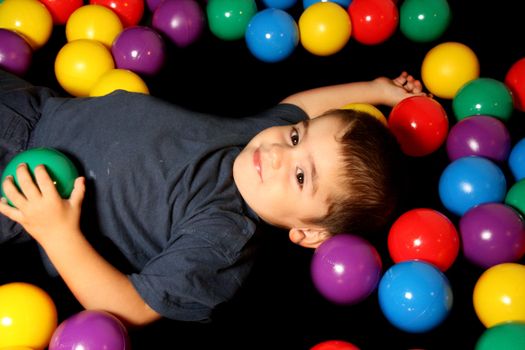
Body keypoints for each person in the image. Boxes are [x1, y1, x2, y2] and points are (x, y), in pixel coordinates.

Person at [0, 68, 425, 327]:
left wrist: (56, 233)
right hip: (35, 107)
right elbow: (300, 106)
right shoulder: (248, 142)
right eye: (295, 138)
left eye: (300, 176)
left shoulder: (223, 239)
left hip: (19, 194)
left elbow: (130, 307)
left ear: (308, 232)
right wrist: (378, 90)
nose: (278, 153)